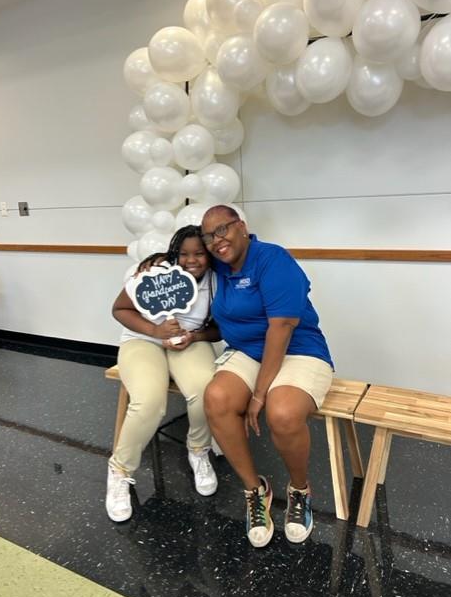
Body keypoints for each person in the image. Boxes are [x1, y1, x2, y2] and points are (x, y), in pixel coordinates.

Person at [200, 205, 333, 548]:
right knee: (216, 399)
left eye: (222, 230)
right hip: (247, 351)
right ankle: (255, 491)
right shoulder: (218, 265)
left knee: (282, 413)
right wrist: (152, 266)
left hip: (298, 349)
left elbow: (282, 327)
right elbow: (179, 261)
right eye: (208, 236)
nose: (216, 241)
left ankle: (299, 490)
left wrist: (259, 394)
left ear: (242, 226)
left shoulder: (272, 259)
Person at [106, 225, 220, 522]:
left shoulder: (216, 280)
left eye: (199, 253)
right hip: (143, 340)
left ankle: (198, 450)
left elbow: (219, 328)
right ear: (173, 254)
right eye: (184, 254)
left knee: (206, 389)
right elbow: (120, 309)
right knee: (149, 401)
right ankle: (120, 470)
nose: (191, 260)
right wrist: (155, 330)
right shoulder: (155, 271)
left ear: (209, 254)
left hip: (189, 341)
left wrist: (194, 336)